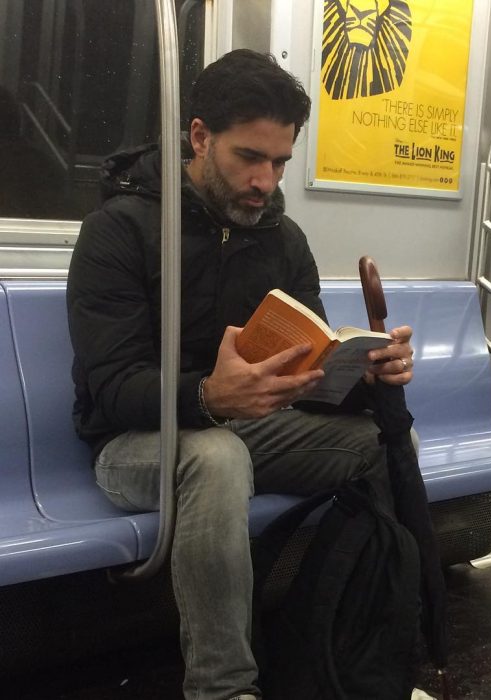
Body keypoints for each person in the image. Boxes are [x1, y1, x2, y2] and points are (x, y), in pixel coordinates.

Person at [67, 49, 414, 700]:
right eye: (249, 158)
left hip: (251, 425)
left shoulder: (283, 242)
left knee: (385, 443)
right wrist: (206, 395)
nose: (266, 180)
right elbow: (111, 388)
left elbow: (311, 373)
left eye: (279, 162)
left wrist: (365, 376)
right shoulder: (119, 232)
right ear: (199, 137)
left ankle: (349, 641)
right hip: (137, 444)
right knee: (216, 455)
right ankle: (224, 690)